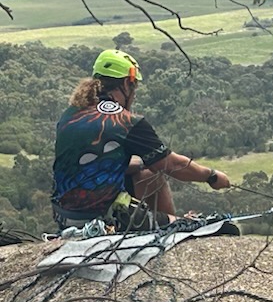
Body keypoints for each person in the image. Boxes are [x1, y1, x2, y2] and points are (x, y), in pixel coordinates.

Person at [51, 48, 235, 233]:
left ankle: (164, 223)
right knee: (198, 225)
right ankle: (170, 229)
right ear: (126, 83)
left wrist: (141, 164)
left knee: (148, 173)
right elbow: (172, 165)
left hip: (65, 217)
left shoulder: (70, 114)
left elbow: (90, 165)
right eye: (134, 87)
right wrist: (211, 176)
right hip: (106, 219)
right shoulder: (126, 121)